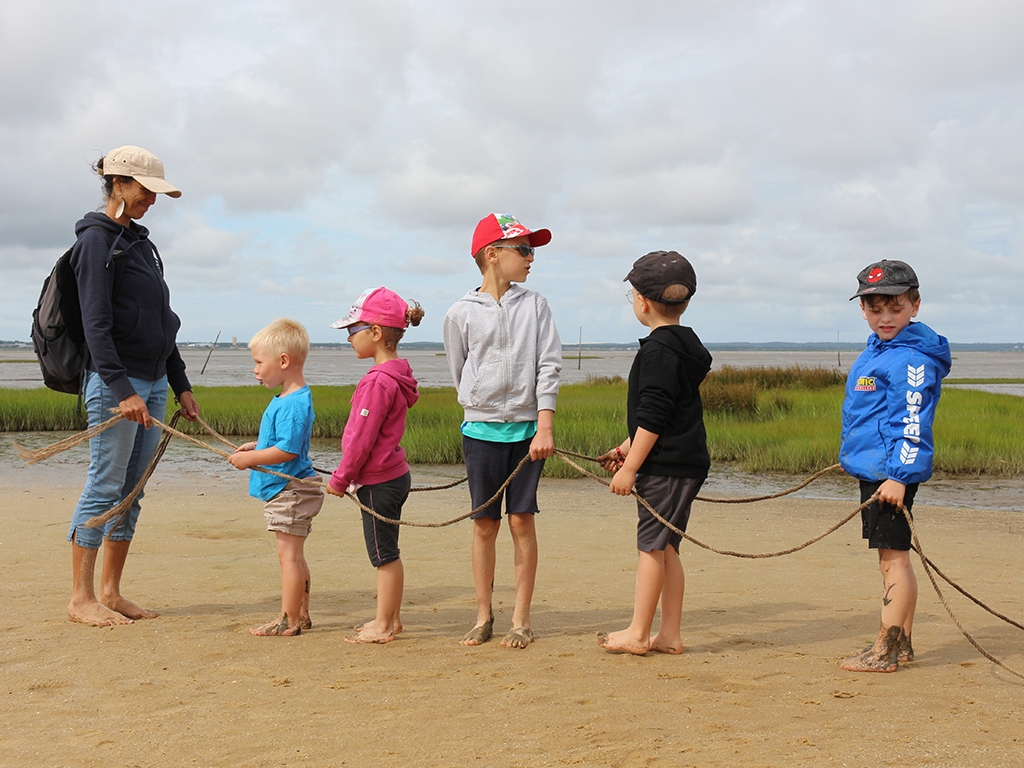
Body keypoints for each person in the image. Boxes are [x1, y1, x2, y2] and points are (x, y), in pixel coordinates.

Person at [66, 145, 201, 627]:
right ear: (119, 184)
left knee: (133, 489)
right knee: (104, 485)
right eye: (146, 190)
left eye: (156, 192)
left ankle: (111, 592)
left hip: (157, 380)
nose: (152, 200)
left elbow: (165, 323)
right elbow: (95, 326)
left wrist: (179, 382)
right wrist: (122, 389)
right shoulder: (95, 243)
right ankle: (81, 598)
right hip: (113, 384)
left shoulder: (141, 244)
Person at [443, 213, 562, 649]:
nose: (532, 258)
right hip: (480, 432)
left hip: (530, 432)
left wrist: (543, 422)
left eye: (532, 250)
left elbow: (548, 364)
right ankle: (482, 615)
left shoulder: (536, 306)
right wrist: (480, 405)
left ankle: (521, 620)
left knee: (521, 522)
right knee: (483, 525)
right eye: (524, 250)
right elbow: (461, 372)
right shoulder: (459, 313)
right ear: (493, 255)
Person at [595, 251, 711, 655]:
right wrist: (625, 449)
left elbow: (655, 415)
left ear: (641, 302)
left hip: (666, 467)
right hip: (685, 462)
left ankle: (638, 632)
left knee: (650, 547)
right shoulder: (681, 345)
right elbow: (668, 414)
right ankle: (670, 634)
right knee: (666, 547)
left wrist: (631, 469)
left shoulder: (658, 351)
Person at [838, 260, 950, 672]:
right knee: (894, 556)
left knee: (893, 560)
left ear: (915, 306)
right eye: (875, 308)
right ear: (863, 309)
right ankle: (901, 644)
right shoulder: (878, 349)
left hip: (891, 474)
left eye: (896, 308)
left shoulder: (911, 359)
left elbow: (912, 420)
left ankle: (883, 651)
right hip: (876, 470)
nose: (885, 318)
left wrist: (899, 477)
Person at [325, 287, 424, 644]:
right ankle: (391, 619)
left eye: (353, 332)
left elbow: (360, 439)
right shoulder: (395, 376)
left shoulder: (377, 382)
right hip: (394, 476)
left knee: (384, 556)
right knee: (388, 550)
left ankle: (383, 625)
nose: (349, 339)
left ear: (376, 333)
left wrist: (340, 478)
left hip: (379, 482)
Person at [229, 319, 324, 637]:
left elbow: (287, 450)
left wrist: (249, 459)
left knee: (289, 557)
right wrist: (257, 446)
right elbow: (281, 442)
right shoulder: (288, 398)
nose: (255, 370)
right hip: (289, 489)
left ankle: (289, 620)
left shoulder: (294, 403)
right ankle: (301, 614)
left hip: (291, 490)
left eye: (259, 363)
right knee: (294, 555)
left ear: (283, 361)